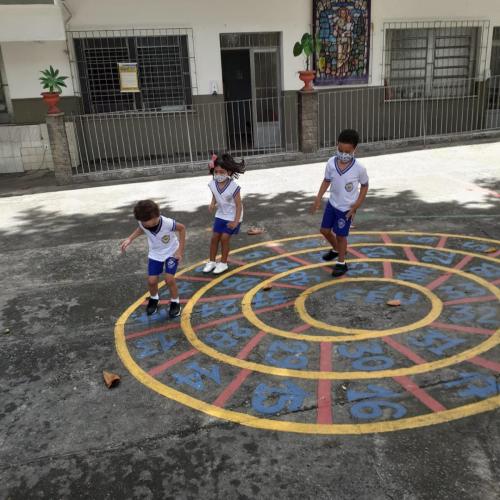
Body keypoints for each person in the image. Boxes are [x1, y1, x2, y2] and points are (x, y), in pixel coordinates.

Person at [311, 128, 369, 277]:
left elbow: (364, 186)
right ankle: (337, 249)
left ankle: (341, 263)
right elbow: (326, 181)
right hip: (332, 204)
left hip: (346, 209)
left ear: (355, 149)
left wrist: (356, 205)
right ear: (337, 145)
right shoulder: (331, 163)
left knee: (341, 236)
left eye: (347, 151)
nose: (343, 154)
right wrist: (318, 198)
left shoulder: (359, 168)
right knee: (324, 230)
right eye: (340, 150)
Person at [120, 200, 186, 317]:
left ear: (157, 216)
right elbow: (141, 228)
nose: (147, 226)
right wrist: (130, 239)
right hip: (155, 254)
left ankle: (175, 302)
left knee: (169, 279)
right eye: (144, 223)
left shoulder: (167, 223)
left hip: (171, 252)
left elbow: (182, 228)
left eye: (149, 224)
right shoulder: (143, 222)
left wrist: (180, 251)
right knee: (151, 281)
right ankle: (154, 298)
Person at [203, 152, 245, 274]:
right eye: (216, 172)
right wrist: (212, 203)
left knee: (224, 238)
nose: (218, 174)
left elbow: (239, 205)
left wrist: (236, 222)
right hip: (221, 214)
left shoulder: (234, 187)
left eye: (222, 172)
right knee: (214, 238)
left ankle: (223, 263)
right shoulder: (212, 184)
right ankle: (212, 262)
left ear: (229, 172)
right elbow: (215, 194)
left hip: (233, 216)